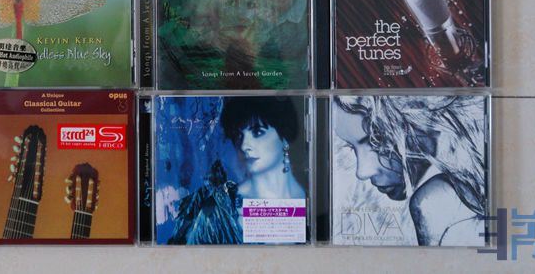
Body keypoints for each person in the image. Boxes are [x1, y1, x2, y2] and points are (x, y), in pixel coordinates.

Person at [332, 96, 487, 246]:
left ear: (426, 117)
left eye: (377, 141)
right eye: (352, 147)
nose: (362, 172)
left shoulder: (436, 202)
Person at [168, 98, 305, 245]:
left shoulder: (311, 199)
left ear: (284, 136)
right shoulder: (218, 210)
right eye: (238, 135)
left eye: (257, 132)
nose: (244, 145)